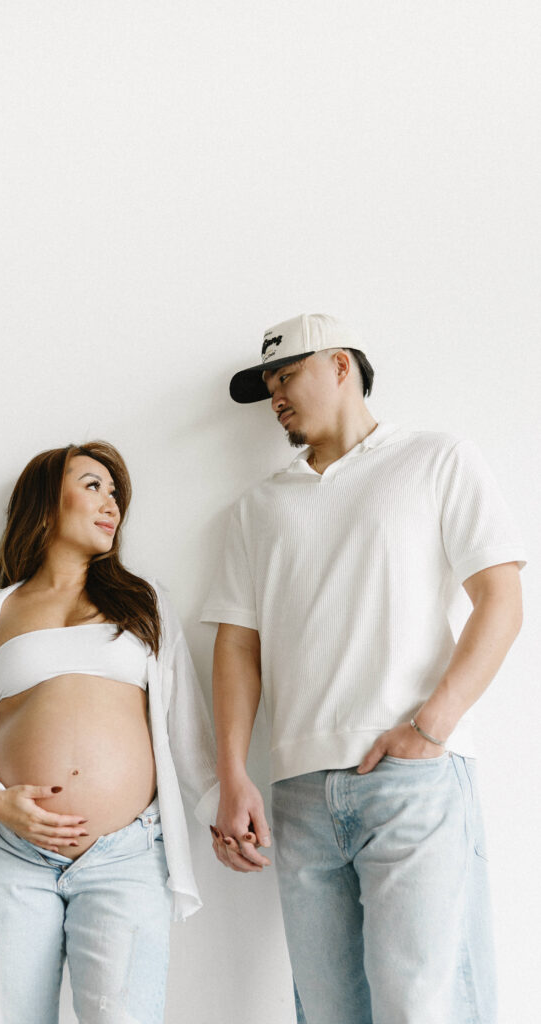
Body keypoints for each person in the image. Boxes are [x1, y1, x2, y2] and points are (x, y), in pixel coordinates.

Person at [201, 314, 525, 1024]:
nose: (275, 396)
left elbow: (499, 598)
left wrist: (430, 726)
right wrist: (232, 776)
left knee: (424, 1007)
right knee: (327, 1012)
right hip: (299, 795)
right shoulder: (258, 508)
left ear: (340, 365)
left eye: (285, 376)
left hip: (411, 778)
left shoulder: (435, 459)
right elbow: (236, 647)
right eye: (267, 386)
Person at [0, 440, 217, 1024]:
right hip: (10, 853)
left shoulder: (145, 603)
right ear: (44, 502)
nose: (111, 502)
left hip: (126, 855)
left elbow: (183, 725)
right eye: (93, 486)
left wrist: (220, 805)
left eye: (115, 492)